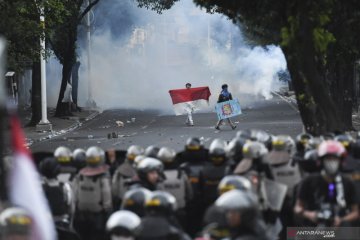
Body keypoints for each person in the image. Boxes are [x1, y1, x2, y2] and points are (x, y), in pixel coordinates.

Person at [294, 140, 359, 227]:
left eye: (335, 159)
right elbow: (297, 207)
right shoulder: (308, 181)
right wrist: (309, 214)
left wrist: (341, 220)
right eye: (328, 159)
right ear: (321, 160)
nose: (331, 162)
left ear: (341, 161)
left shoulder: (347, 182)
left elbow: (355, 212)